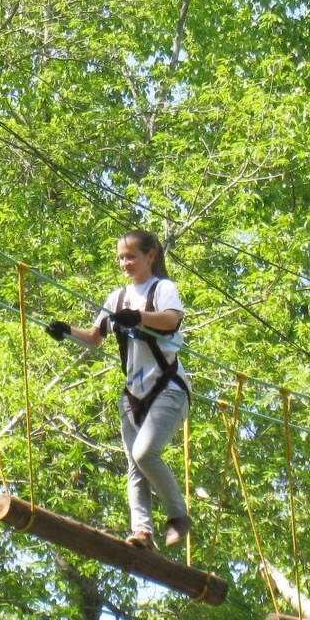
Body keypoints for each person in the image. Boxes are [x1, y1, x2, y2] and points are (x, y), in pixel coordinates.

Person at [45, 230, 192, 550]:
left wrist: (138, 316)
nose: (125, 263)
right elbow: (96, 337)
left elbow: (170, 321)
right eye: (121, 258)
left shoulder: (162, 288)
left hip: (168, 387)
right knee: (135, 463)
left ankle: (178, 517)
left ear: (150, 256)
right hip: (133, 395)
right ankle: (142, 532)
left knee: (144, 453)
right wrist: (66, 331)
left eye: (131, 257)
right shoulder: (117, 298)